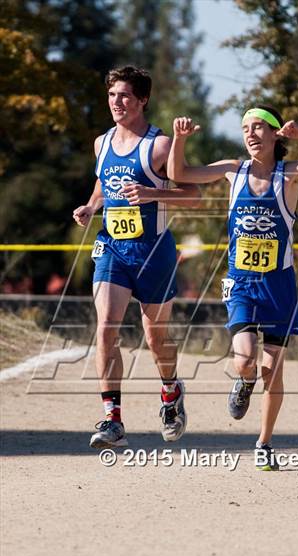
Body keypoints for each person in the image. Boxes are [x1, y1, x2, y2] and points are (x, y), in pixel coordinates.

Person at [167, 106, 298, 470]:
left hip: (278, 283)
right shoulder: (234, 170)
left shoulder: (290, 175)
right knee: (245, 360)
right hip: (242, 282)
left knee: (273, 371)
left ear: (275, 134)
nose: (250, 134)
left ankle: (264, 443)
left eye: (259, 128)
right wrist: (180, 140)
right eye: (245, 128)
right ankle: (243, 381)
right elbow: (178, 173)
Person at [73, 66, 200, 449]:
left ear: (142, 100)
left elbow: (193, 197)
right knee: (106, 327)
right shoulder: (102, 142)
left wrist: (151, 194)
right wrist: (92, 206)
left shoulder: (158, 146)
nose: (117, 102)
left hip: (153, 252)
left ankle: (170, 390)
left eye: (125, 95)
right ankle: (113, 420)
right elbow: (102, 181)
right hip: (113, 247)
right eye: (112, 95)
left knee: (154, 337)